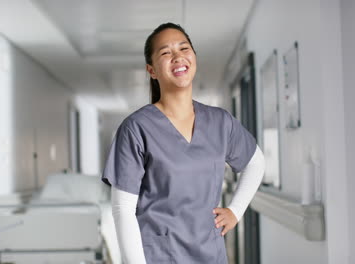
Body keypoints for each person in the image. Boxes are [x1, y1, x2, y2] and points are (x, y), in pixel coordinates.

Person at [102, 22, 265, 264]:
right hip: (159, 256)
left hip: (210, 253)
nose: (178, 57)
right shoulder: (136, 128)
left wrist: (235, 211)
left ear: (194, 57)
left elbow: (256, 163)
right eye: (166, 53)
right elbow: (123, 211)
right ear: (152, 70)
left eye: (184, 48)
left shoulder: (220, 122)